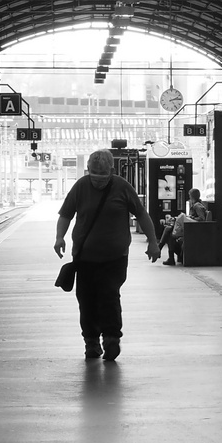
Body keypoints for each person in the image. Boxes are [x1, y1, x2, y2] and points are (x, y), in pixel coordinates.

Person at [55, 150, 161, 360]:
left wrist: (153, 242)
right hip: (85, 258)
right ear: (88, 170)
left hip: (115, 257)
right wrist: (60, 237)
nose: (98, 178)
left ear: (111, 171)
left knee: (109, 295)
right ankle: (91, 342)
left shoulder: (122, 187)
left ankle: (112, 338)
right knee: (86, 301)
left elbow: (141, 214)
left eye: (102, 174)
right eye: (94, 173)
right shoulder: (81, 187)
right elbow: (66, 214)